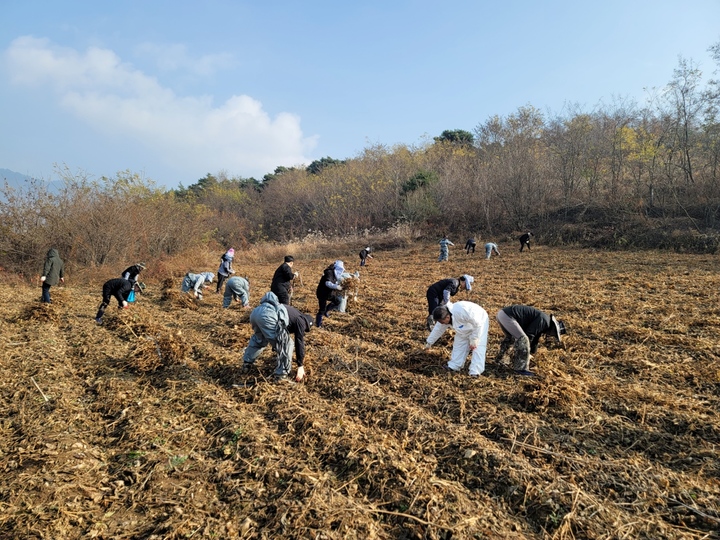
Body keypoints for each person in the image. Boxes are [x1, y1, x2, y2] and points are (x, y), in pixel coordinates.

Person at [242, 291, 313, 382]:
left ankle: (247, 363)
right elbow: (299, 341)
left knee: (260, 339)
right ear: (307, 324)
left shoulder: (293, 314)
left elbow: (277, 335)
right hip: (268, 316)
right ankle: (282, 375)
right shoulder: (301, 321)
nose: (303, 331)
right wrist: (300, 365)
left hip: (256, 313)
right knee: (287, 344)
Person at [495, 305, 567, 376]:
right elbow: (530, 334)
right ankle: (521, 368)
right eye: (554, 334)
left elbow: (535, 339)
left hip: (502, 314)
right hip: (509, 316)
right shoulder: (545, 321)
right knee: (523, 339)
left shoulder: (544, 321)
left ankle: (501, 360)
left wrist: (532, 353)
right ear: (553, 328)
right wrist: (526, 354)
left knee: (511, 338)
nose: (552, 335)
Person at [425, 301, 489, 377]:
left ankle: (475, 371)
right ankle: (454, 365)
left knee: (478, 347)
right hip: (463, 326)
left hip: (480, 321)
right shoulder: (443, 315)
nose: (442, 323)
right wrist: (429, 342)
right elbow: (438, 330)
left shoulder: (461, 311)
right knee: (459, 344)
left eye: (442, 322)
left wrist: (475, 338)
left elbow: (478, 324)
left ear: (447, 317)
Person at [315, 260, 345, 328]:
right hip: (322, 293)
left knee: (337, 301)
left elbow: (334, 282)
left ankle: (326, 311)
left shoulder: (335, 274)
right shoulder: (329, 272)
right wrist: (336, 287)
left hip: (329, 293)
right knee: (321, 309)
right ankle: (318, 324)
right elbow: (327, 283)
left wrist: (340, 285)